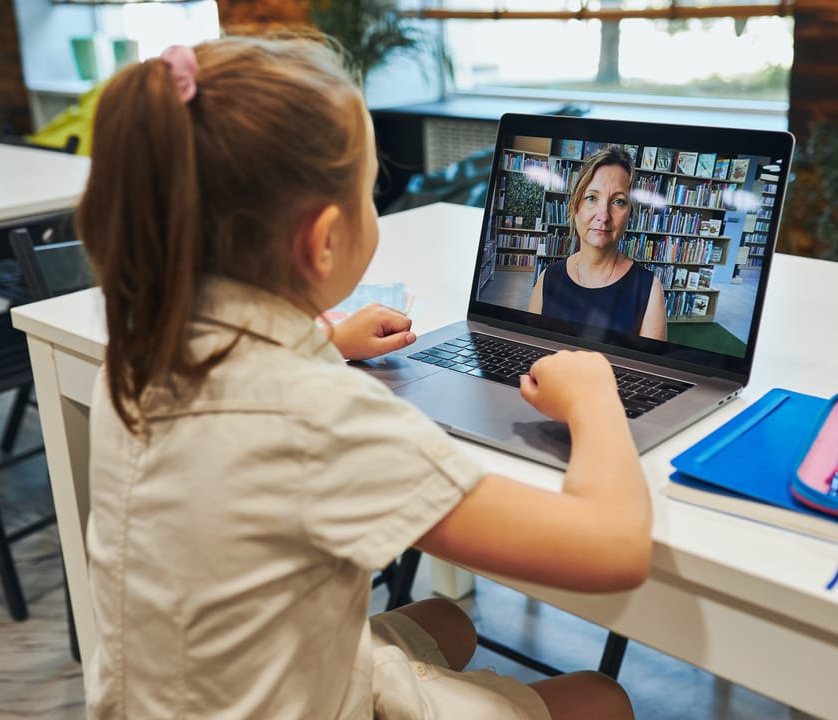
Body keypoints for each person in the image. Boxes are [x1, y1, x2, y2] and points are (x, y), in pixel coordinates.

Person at [76, 36, 652, 720]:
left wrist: (325, 342)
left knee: (450, 621)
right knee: (602, 698)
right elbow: (614, 550)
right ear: (322, 241)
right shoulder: (324, 421)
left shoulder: (142, 352)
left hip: (188, 693)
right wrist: (595, 398)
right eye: (370, 192)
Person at [528, 146, 668, 341]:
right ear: (575, 207)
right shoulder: (547, 279)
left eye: (618, 201)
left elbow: (648, 371)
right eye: (592, 198)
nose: (603, 215)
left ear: (630, 213)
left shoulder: (650, 290)